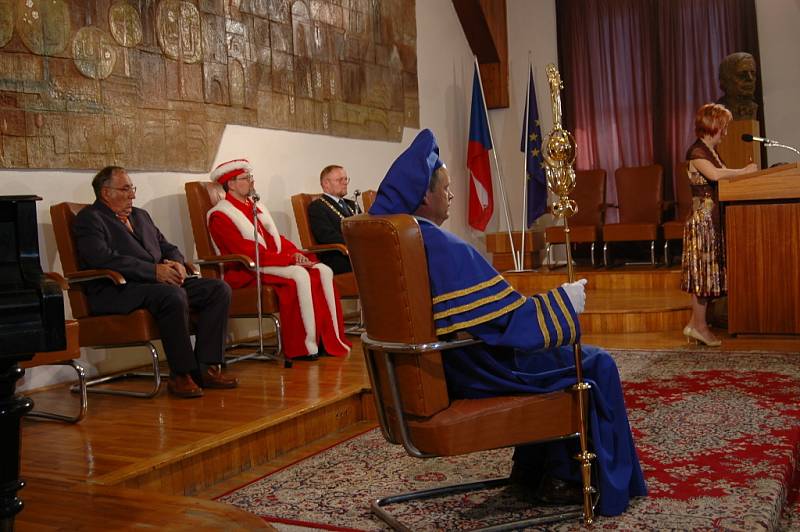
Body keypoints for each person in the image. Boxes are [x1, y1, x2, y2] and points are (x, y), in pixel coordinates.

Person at [369, 129, 646, 517]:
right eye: (445, 188)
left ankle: (534, 470)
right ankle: (567, 478)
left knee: (554, 353)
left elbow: (487, 314)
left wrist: (543, 306)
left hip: (429, 369)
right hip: (468, 368)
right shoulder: (440, 245)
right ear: (424, 196)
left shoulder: (397, 239)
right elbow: (509, 324)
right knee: (595, 362)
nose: (450, 196)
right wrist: (564, 301)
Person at [73, 166, 238, 398]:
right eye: (125, 189)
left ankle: (207, 367)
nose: (132, 195)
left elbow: (166, 246)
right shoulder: (90, 219)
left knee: (217, 289)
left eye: (132, 188)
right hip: (118, 289)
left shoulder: (141, 215)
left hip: (155, 284)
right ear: (106, 192)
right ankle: (181, 374)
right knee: (172, 295)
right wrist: (153, 271)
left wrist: (179, 263)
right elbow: (102, 258)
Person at [206, 158, 351, 360]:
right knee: (298, 276)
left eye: (251, 177)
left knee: (322, 270)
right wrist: (289, 259)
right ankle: (302, 347)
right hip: (245, 269)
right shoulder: (221, 214)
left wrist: (296, 253)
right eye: (246, 178)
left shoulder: (257, 207)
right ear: (230, 183)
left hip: (270, 261)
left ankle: (327, 340)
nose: (252, 182)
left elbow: (276, 239)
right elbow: (246, 250)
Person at [681, 104, 758, 346]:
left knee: (707, 275)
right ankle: (700, 327)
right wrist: (744, 171)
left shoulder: (711, 151)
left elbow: (721, 175)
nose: (725, 132)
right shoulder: (697, 152)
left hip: (711, 221)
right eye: (723, 127)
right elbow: (714, 176)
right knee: (702, 277)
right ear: (713, 125)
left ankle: (696, 324)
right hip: (702, 223)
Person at [307, 165, 358, 274]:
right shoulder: (317, 207)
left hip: (357, 252)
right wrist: (357, 243)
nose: (345, 183)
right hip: (339, 256)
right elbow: (326, 236)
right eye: (340, 180)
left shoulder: (352, 204)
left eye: (346, 179)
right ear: (326, 183)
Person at [716, 52, 758, 120]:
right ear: (725, 80)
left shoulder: (757, 108)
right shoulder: (717, 111)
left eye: (753, 74)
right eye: (742, 75)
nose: (750, 78)